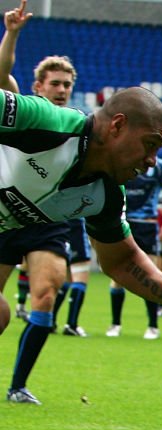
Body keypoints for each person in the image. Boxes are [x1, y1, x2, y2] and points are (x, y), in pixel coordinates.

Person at [0, 86, 162, 403]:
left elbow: (121, 261)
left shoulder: (106, 195)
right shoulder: (46, 121)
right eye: (150, 144)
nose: (153, 161)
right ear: (117, 126)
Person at [0, 1, 90, 339]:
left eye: (67, 84)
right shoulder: (23, 112)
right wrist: (11, 33)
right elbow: (0, 74)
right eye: (55, 83)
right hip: (7, 211)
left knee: (47, 296)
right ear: (38, 87)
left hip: (46, 220)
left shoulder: (78, 128)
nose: (62, 90)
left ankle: (19, 387)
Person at [106, 155, 162, 340]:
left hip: (147, 224)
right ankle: (115, 324)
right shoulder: (123, 158)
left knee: (151, 276)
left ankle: (153, 326)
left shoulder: (159, 166)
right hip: (122, 222)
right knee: (117, 276)